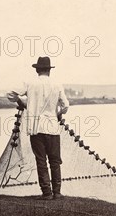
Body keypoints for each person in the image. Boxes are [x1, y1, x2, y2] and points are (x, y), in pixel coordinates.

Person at [7, 57, 70, 200]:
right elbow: (65, 105)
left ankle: (46, 193)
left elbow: (10, 94)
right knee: (55, 160)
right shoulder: (57, 84)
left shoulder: (29, 83)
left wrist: (21, 102)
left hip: (36, 128)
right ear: (49, 70)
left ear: (37, 69)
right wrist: (57, 114)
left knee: (41, 160)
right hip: (52, 127)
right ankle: (57, 192)